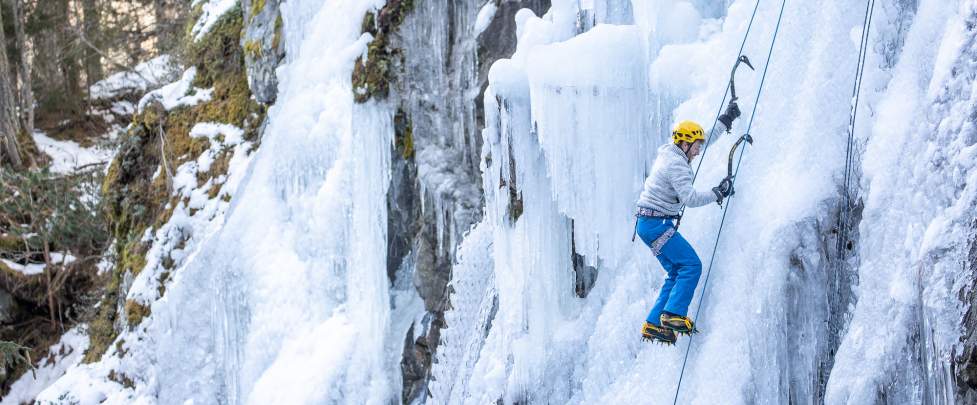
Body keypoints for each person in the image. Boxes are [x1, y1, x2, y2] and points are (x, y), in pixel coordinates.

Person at [636, 101, 740, 345]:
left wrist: (725, 120)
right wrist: (718, 193)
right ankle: (673, 316)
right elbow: (690, 199)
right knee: (691, 265)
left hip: (647, 223)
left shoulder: (670, 152)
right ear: (684, 144)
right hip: (657, 224)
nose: (697, 151)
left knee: (676, 270)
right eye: (694, 147)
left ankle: (654, 324)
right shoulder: (676, 166)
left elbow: (702, 139)